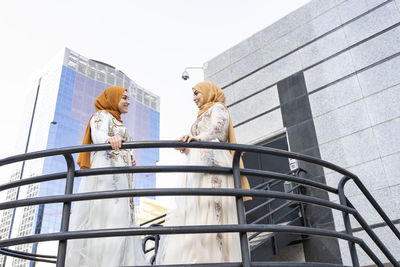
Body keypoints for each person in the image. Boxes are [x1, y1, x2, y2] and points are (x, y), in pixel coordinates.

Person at [156, 81, 251, 264]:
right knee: (198, 209)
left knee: (214, 209)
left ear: (208, 92)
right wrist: (188, 146)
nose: (194, 98)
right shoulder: (199, 116)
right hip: (198, 167)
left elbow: (218, 129)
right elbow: (200, 139)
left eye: (197, 93)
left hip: (215, 164)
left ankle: (220, 259)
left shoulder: (218, 107)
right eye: (193, 94)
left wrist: (197, 138)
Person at [65, 86, 147, 266]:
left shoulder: (118, 122)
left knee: (122, 217)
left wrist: (128, 158)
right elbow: (98, 134)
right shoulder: (101, 115)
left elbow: (127, 148)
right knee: (107, 215)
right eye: (124, 98)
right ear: (112, 98)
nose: (128, 102)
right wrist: (109, 139)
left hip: (122, 177)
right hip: (108, 176)